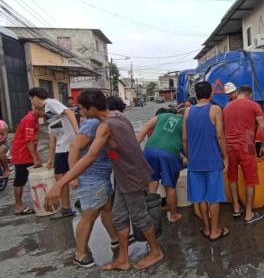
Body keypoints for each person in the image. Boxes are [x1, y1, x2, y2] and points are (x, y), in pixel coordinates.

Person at [45, 89, 163, 271]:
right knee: (118, 217)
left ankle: (155, 252)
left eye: (82, 108)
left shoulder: (105, 126)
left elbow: (90, 157)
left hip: (131, 176)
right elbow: (121, 146)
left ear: (92, 108)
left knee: (139, 217)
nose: (80, 112)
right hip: (123, 175)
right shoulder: (117, 115)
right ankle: (123, 259)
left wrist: (60, 183)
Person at [69, 109, 119, 268]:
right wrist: (73, 176)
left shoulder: (105, 124)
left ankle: (115, 238)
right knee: (89, 215)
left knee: (106, 208)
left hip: (102, 177)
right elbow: (74, 147)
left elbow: (109, 150)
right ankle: (80, 253)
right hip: (90, 178)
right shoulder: (92, 125)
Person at [183, 81, 230, 241]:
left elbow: (184, 138)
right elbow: (219, 135)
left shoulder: (187, 112)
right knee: (214, 197)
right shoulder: (215, 109)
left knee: (200, 197)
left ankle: (206, 228)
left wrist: (189, 156)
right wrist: (225, 157)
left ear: (196, 95)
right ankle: (215, 231)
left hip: (195, 161)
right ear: (211, 94)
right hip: (212, 160)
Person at [28, 87, 78, 220]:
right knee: (63, 176)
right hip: (61, 146)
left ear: (36, 97)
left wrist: (78, 134)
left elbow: (70, 113)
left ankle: (68, 207)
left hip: (68, 145)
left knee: (64, 176)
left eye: (31, 100)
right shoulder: (50, 115)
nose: (32, 104)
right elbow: (52, 140)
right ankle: (68, 206)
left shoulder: (50, 103)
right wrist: (50, 159)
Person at [224, 85, 264, 223]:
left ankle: (236, 208)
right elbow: (263, 125)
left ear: (238, 93)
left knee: (232, 178)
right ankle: (249, 214)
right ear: (249, 94)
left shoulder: (226, 107)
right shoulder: (253, 105)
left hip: (229, 147)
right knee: (250, 180)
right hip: (246, 146)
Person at [137, 109, 184, 223]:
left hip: (150, 149)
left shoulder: (162, 116)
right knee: (170, 186)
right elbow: (185, 140)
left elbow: (145, 128)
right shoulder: (184, 122)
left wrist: (135, 146)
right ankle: (173, 215)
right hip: (168, 153)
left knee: (152, 183)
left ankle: (151, 217)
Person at [11, 107, 44, 215]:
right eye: (45, 111)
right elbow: (29, 140)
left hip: (27, 153)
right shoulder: (29, 119)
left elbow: (33, 139)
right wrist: (35, 158)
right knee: (20, 180)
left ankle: (40, 201)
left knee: (30, 178)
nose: (46, 114)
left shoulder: (34, 119)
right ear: (38, 109)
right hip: (22, 154)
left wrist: (36, 155)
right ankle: (18, 207)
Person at [0, 118, 9, 191]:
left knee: (0, 152)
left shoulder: (2, 123)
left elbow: (5, 136)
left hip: (3, 143)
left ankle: (6, 170)